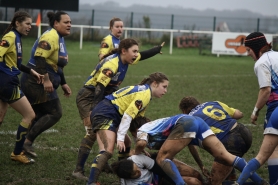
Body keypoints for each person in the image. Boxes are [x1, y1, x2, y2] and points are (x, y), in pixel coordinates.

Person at [72, 38, 165, 180]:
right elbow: (99, 87)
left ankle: (114, 167)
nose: (136, 54)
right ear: (123, 51)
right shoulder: (112, 64)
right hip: (90, 96)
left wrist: (156, 49)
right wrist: (95, 109)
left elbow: (143, 55)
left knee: (115, 138)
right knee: (92, 132)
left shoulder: (127, 59)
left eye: (136, 51)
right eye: (134, 51)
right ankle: (79, 170)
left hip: (106, 99)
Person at [130, 114, 265, 185]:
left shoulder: (143, 129)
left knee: (162, 158)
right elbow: (188, 143)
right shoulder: (156, 128)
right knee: (225, 155)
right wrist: (200, 165)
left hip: (185, 123)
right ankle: (260, 181)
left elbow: (141, 143)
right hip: (197, 122)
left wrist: (136, 154)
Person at [86, 72, 169, 185]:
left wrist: (139, 141)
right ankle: (91, 182)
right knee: (108, 150)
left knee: (127, 142)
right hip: (105, 113)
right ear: (154, 84)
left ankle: (122, 174)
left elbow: (136, 125)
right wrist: (119, 138)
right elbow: (128, 116)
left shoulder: (146, 94)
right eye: (164, 87)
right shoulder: (144, 94)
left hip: (109, 113)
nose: (166, 91)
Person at [20, 11, 72, 158]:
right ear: (56, 23)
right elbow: (40, 57)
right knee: (55, 112)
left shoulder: (60, 37)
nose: (69, 25)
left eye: (70, 22)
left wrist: (63, 83)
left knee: (39, 114)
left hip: (41, 80)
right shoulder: (51, 35)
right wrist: (46, 79)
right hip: (35, 81)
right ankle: (27, 143)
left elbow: (56, 63)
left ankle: (21, 146)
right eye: (66, 22)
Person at [179, 96, 255, 184]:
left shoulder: (189, 120)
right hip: (245, 132)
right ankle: (231, 176)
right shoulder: (213, 103)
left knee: (214, 183)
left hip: (230, 142)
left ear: (184, 111)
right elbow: (239, 114)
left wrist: (201, 165)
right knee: (225, 164)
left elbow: (191, 146)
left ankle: (259, 182)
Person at [0, 11, 43, 164]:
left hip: (5, 80)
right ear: (17, 23)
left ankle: (17, 153)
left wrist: (32, 72)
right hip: (6, 82)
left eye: (31, 24)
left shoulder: (16, 38)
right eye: (27, 24)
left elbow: (16, 64)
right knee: (29, 115)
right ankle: (17, 153)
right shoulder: (11, 37)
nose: (29, 27)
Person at [236, 32, 278, 185]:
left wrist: (255, 111)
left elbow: (266, 90)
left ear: (256, 48)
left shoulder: (261, 63)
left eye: (248, 50)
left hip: (275, 107)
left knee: (271, 150)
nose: (247, 54)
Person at [111, 153, 204, 185]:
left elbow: (159, 169)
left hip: (161, 169)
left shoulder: (136, 159)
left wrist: (176, 181)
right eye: (135, 173)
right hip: (158, 182)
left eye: (137, 169)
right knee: (194, 182)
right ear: (129, 178)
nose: (139, 171)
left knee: (195, 174)